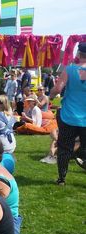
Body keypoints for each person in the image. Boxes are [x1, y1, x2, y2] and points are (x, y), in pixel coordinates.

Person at [50, 42, 86, 185]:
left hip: (69, 116)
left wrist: (50, 96)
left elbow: (58, 89)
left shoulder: (69, 69)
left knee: (64, 148)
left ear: (78, 54)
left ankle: (62, 179)